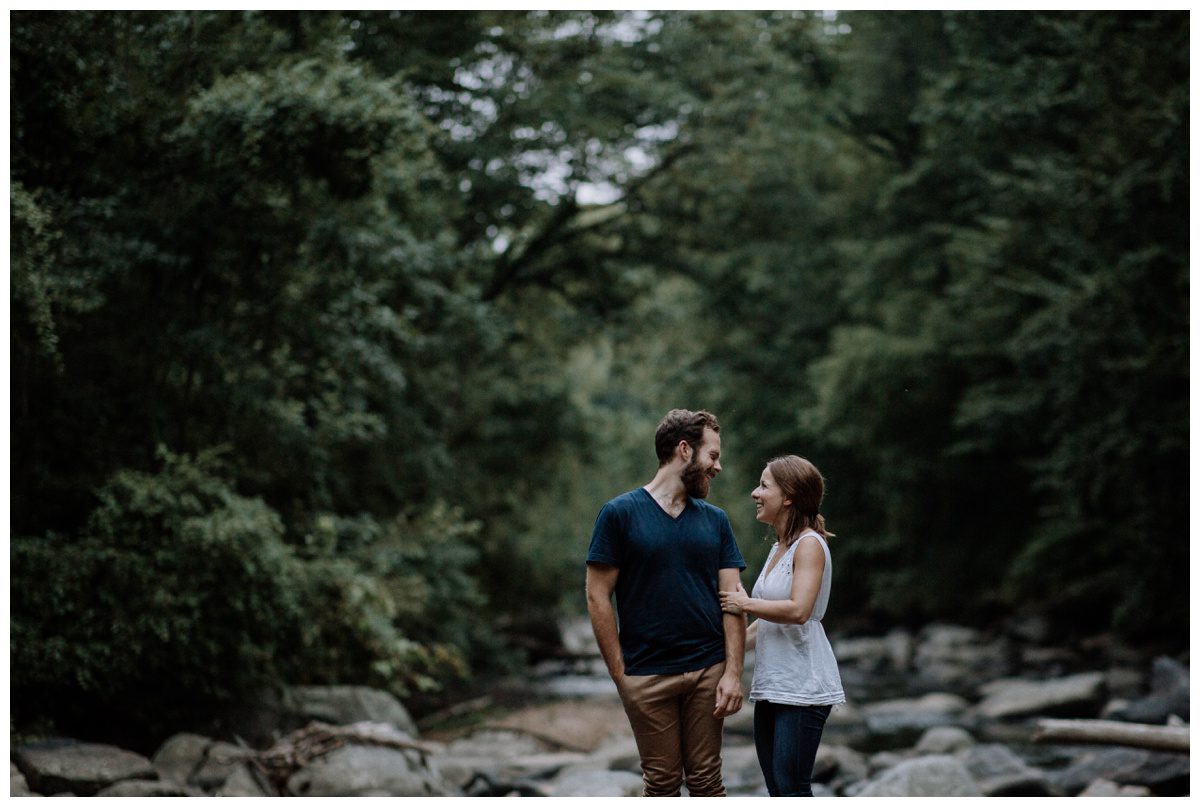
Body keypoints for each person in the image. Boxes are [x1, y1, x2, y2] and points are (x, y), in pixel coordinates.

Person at [585, 408, 747, 797]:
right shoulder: (619, 514)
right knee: (661, 784)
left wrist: (733, 672)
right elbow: (597, 595)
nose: (718, 467)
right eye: (712, 455)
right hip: (646, 674)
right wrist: (620, 675)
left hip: (708, 670)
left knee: (708, 781)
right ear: (684, 450)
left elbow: (734, 600)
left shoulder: (716, 520)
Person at [719, 455, 844, 797]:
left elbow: (799, 610)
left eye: (764, 486)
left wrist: (744, 603)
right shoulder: (780, 547)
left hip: (802, 686)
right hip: (773, 685)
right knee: (777, 789)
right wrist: (723, 650)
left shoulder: (810, 544)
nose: (755, 493)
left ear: (788, 496)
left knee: (791, 789)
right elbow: (767, 623)